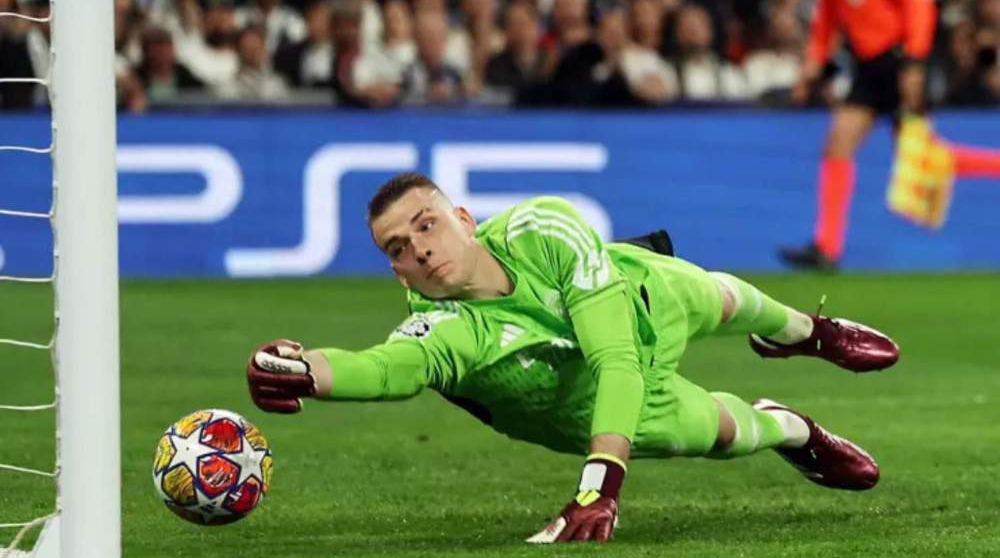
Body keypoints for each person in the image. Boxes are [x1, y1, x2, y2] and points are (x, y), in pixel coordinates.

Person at [246, 173, 899, 543]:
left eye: (426, 223)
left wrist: (598, 487)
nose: (418, 247)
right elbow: (387, 368)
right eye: (397, 247)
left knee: (720, 297)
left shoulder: (544, 227)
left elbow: (615, 352)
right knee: (727, 434)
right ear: (399, 274)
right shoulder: (446, 331)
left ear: (465, 220)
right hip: (601, 407)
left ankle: (805, 332)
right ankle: (797, 429)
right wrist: (307, 371)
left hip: (637, 305)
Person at [781, 0, 1000, 270]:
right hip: (867, 68)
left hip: (899, 62)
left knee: (925, 157)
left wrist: (914, 62)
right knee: (838, 144)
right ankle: (826, 247)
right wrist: (814, 62)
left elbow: (918, 6)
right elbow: (826, 22)